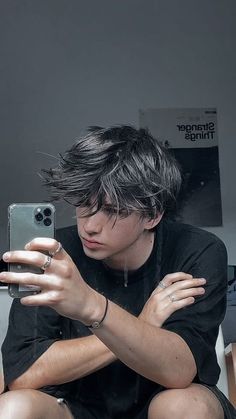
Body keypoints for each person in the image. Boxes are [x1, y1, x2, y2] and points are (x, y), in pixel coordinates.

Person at [0, 125, 235, 419]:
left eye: (112, 210)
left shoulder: (197, 250)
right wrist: (141, 324)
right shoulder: (53, 253)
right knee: (14, 407)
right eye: (85, 203)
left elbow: (179, 371)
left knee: (184, 406)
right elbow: (23, 374)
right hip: (76, 408)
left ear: (152, 215)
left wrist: (91, 306)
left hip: (162, 402)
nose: (90, 225)